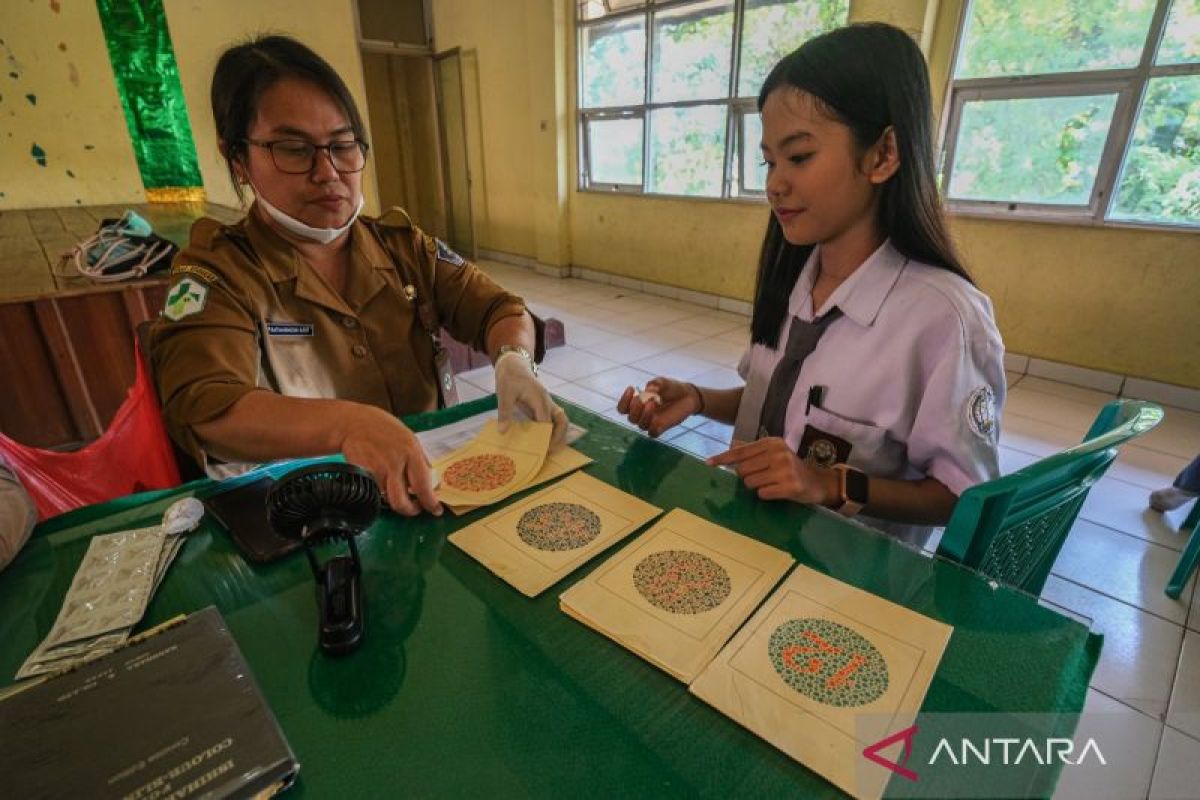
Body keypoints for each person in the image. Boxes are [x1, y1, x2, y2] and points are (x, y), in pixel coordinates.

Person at [618, 23, 1005, 545]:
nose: (775, 184)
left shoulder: (943, 319)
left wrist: (828, 484)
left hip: (844, 573)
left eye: (799, 157)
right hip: (751, 537)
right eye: (769, 161)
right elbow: (782, 403)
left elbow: (964, 497)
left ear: (883, 154)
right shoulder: (796, 276)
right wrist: (697, 398)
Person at [150, 35, 566, 517]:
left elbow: (499, 308)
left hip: (434, 490)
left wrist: (514, 360)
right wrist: (346, 426)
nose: (328, 172)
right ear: (238, 160)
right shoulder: (219, 272)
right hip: (315, 514)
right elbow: (207, 407)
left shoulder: (403, 248)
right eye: (293, 149)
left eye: (343, 146)